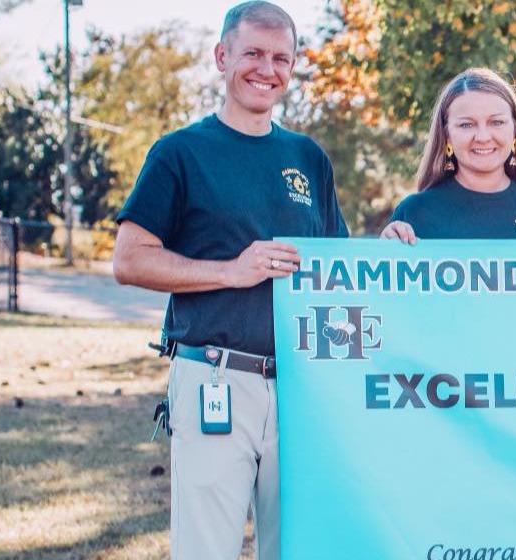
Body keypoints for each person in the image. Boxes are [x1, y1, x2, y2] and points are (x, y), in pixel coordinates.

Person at [112, 2, 348, 558]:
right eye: (253, 54)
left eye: (281, 58)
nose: (267, 69)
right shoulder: (180, 153)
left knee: (298, 548)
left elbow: (337, 272)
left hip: (302, 389)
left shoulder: (308, 157)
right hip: (213, 380)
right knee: (206, 550)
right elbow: (129, 259)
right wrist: (230, 272)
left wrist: (392, 253)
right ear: (222, 57)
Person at [381, 68, 516, 244]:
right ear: (447, 136)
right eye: (466, 125)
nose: (482, 137)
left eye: (496, 122)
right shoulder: (414, 214)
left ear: (515, 130)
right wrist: (383, 253)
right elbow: (383, 289)